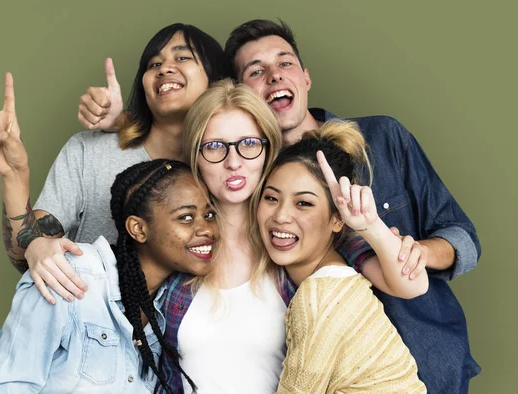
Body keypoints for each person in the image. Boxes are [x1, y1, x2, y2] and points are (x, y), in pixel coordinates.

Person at [224, 19, 481, 393]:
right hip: (330, 375)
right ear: (242, 92)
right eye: (256, 71)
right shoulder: (248, 176)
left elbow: (464, 238)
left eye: (285, 63)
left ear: (305, 77)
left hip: (431, 364)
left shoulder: (382, 137)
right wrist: (126, 123)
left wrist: (412, 253)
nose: (275, 77)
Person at [156, 79, 424, 394]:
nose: (233, 161)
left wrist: (371, 226)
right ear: (195, 155)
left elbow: (411, 285)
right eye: (214, 146)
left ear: (268, 148)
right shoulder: (175, 245)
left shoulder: (299, 242)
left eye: (248, 143)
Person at [0, 23, 231, 305]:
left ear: (216, 77)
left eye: (182, 57)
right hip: (87, 333)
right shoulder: (90, 151)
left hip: (180, 340)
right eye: (153, 63)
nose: (164, 68)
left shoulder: (230, 165)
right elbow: (28, 256)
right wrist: (14, 174)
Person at [0, 158, 219, 393]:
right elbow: (5, 386)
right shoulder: (68, 274)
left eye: (209, 215)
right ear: (138, 229)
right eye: (186, 217)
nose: (206, 228)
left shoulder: (167, 311)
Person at [255, 120, 426, 393]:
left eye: (304, 203)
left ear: (338, 219)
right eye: (271, 198)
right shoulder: (341, 279)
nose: (281, 216)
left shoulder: (321, 295)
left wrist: (370, 225)